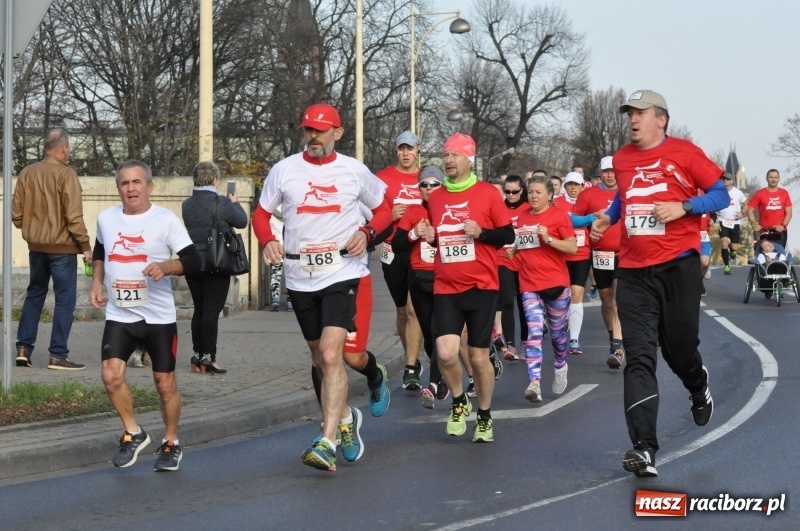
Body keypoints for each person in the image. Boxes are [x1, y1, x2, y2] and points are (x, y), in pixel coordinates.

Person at [591, 89, 729, 477]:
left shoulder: (685, 153)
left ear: (661, 119)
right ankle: (644, 448)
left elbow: (720, 194)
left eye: (640, 113)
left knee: (679, 348)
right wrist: (609, 216)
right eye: (629, 114)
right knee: (638, 356)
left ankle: (697, 384)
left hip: (677, 267)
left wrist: (684, 206)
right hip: (633, 271)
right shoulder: (620, 158)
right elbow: (624, 196)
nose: (632, 119)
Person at [251, 103, 392, 472]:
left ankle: (326, 440)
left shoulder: (353, 171)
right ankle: (346, 417)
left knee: (332, 355)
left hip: (342, 272)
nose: (313, 137)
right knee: (319, 359)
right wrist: (267, 239)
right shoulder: (284, 170)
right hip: (301, 277)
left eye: (320, 130)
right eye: (308, 130)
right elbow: (261, 213)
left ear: (337, 133)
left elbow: (386, 210)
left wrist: (367, 231)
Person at [90, 160, 202, 471]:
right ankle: (134, 432)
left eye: (137, 182)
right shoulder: (106, 218)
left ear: (149, 187)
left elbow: (193, 261)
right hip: (120, 313)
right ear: (118, 189)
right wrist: (97, 281)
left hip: (158, 317)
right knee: (111, 376)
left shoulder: (165, 220)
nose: (131, 188)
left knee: (164, 383)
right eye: (125, 183)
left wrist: (166, 267)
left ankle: (171, 441)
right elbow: (100, 250)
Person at [424, 133, 514, 443]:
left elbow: (508, 234)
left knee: (477, 358)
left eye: (454, 155)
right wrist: (429, 235)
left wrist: (482, 232)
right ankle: (459, 402)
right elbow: (438, 234)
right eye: (445, 155)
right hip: (446, 286)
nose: (448, 160)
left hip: (482, 286)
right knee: (447, 353)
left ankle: (485, 416)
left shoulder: (488, 194)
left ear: (469, 159)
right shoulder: (434, 199)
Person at [12, 128, 91, 370]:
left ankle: (23, 348)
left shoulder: (26, 173)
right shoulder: (67, 175)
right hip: (64, 249)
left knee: (35, 295)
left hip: (36, 248)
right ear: (64, 148)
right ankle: (57, 354)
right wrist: (86, 246)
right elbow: (74, 217)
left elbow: (17, 216)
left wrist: (34, 230)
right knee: (64, 300)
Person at [510, 175, 576, 403]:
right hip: (529, 284)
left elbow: (572, 247)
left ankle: (560, 364)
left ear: (549, 195)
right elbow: (524, 241)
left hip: (556, 283)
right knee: (534, 332)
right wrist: (515, 250)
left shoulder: (558, 216)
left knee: (558, 335)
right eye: (531, 192)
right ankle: (534, 382)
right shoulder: (521, 216)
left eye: (539, 192)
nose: (534, 196)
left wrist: (548, 238)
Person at [181, 161, 248, 374]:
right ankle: (208, 358)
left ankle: (197, 355)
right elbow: (242, 221)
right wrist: (234, 202)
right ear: (214, 180)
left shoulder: (187, 204)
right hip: (216, 261)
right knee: (211, 311)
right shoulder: (222, 203)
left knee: (199, 309)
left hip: (192, 261)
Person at [394, 166, 449, 408]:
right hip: (418, 278)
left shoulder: (450, 208)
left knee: (439, 330)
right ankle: (443, 378)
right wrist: (413, 234)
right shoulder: (413, 212)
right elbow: (397, 244)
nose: (428, 188)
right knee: (429, 335)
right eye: (423, 185)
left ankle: (435, 382)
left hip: (445, 278)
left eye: (433, 184)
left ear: (442, 186)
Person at [376, 131, 425, 391]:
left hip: (421, 248)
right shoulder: (382, 179)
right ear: (396, 151)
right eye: (401, 148)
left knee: (414, 308)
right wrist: (388, 213)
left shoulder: (426, 177)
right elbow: (369, 211)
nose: (406, 153)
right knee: (402, 311)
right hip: (392, 248)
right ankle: (413, 359)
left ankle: (410, 365)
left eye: (410, 148)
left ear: (419, 150)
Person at [573, 156, 625, 368]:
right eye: (606, 171)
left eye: (613, 171)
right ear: (600, 173)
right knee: (608, 302)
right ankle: (613, 337)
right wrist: (591, 219)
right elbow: (572, 219)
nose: (610, 175)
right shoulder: (589, 194)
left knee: (620, 301)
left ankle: (618, 347)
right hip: (600, 255)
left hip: (624, 254)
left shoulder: (626, 193)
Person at [553, 172, 590, 356]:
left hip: (582, 254)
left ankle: (574, 340)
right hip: (561, 255)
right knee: (561, 296)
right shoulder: (557, 203)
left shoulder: (588, 201)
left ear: (583, 186)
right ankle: (560, 329)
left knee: (577, 294)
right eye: (570, 185)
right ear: (565, 186)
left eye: (577, 185)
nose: (573, 188)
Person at [492, 175, 528, 361]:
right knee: (506, 300)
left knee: (524, 303)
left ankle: (525, 342)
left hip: (523, 259)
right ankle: (510, 345)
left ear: (522, 190)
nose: (511, 195)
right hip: (503, 258)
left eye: (515, 191)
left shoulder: (528, 207)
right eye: (507, 192)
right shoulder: (498, 207)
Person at [746, 169, 793, 251]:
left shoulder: (784, 193)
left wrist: (783, 225)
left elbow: (789, 213)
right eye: (771, 177)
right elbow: (749, 210)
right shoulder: (760, 193)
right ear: (767, 179)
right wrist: (754, 225)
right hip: (764, 231)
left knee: (779, 254)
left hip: (780, 231)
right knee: (765, 255)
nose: (773, 180)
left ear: (778, 178)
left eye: (775, 177)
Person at [717, 173, 746, 275]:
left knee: (735, 247)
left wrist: (742, 212)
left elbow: (746, 204)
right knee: (724, 242)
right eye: (723, 179)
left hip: (735, 221)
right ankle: (727, 266)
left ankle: (732, 251)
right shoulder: (719, 192)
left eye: (727, 179)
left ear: (732, 181)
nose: (725, 180)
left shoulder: (738, 193)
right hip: (723, 220)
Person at [268, 205, 292, 312]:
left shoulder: (271, 209)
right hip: (290, 247)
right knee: (290, 274)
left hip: (276, 244)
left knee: (276, 274)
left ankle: (275, 299)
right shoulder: (291, 209)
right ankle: (290, 301)